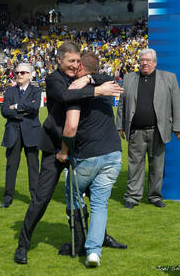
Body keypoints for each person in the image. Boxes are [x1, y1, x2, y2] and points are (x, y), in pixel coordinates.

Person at [14, 41, 125, 264]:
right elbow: (66, 96)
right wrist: (95, 89)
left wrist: (89, 78)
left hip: (78, 147)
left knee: (95, 196)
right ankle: (23, 245)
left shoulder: (80, 77)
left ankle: (95, 238)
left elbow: (105, 76)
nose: (75, 66)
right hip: (55, 148)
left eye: (77, 62)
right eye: (71, 61)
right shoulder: (53, 79)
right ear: (58, 60)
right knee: (42, 198)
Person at [56, 52, 122, 267]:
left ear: (82, 68)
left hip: (88, 155)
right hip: (113, 154)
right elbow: (109, 77)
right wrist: (91, 78)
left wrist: (64, 150)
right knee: (100, 205)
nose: (74, 69)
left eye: (77, 66)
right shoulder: (105, 87)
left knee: (73, 196)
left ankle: (79, 241)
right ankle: (94, 252)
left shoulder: (77, 89)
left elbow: (71, 126)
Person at [116, 48, 180, 209]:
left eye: (148, 60)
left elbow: (177, 104)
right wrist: (120, 125)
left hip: (158, 131)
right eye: (142, 60)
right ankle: (132, 197)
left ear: (154, 62)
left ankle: (155, 196)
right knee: (134, 166)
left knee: (157, 166)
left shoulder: (169, 78)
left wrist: (178, 126)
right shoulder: (129, 78)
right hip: (136, 131)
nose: (144, 63)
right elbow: (122, 104)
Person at [0, 63, 41, 208]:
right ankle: (7, 198)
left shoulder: (36, 90)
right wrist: (24, 109)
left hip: (31, 132)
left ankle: (35, 198)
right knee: (11, 166)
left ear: (30, 75)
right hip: (13, 132)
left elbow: (35, 108)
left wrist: (16, 106)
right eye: (17, 72)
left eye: (23, 72)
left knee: (33, 167)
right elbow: (4, 111)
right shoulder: (10, 91)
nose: (19, 75)